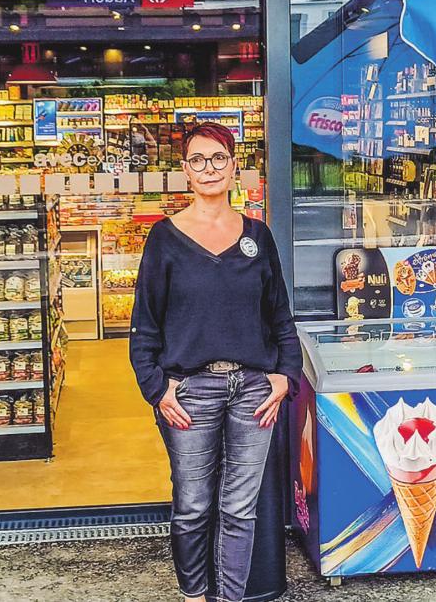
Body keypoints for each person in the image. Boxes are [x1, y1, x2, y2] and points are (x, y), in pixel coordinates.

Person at [129, 122, 303, 602]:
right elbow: (144, 326)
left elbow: (279, 316)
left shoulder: (257, 236)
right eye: (198, 160)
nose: (209, 168)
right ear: (185, 171)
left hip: (252, 390)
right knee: (192, 505)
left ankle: (228, 598)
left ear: (235, 168)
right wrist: (156, 388)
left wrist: (285, 377)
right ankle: (193, 594)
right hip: (189, 391)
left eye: (218, 159)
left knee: (240, 509)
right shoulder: (165, 239)